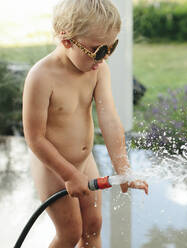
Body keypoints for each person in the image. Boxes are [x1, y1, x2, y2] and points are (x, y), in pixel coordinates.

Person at [22, 0, 148, 247]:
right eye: (98, 50)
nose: (104, 57)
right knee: (70, 232)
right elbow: (35, 139)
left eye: (111, 47)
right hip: (53, 166)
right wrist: (68, 174)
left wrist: (123, 168)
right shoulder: (41, 77)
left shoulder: (98, 70)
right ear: (67, 40)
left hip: (84, 161)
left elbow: (109, 120)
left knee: (93, 227)